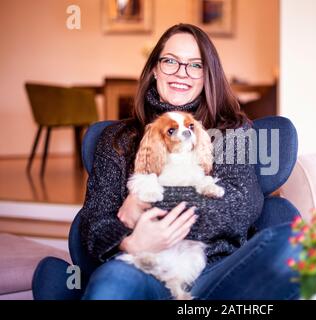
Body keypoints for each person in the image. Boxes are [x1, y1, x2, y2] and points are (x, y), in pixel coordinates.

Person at [80, 23, 301, 300]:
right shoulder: (116, 138)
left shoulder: (232, 131)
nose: (181, 73)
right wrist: (131, 241)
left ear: (207, 75)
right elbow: (93, 224)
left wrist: (140, 205)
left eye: (195, 65)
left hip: (217, 274)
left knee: (295, 245)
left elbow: (239, 206)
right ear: (154, 69)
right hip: (141, 267)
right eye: (171, 61)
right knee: (111, 282)